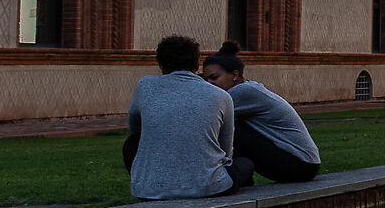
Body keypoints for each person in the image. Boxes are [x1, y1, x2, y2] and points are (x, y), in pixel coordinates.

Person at [122, 35, 252, 199]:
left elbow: (134, 126)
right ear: (197, 64)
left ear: (161, 65)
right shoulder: (221, 95)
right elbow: (226, 149)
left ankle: (151, 181)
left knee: (132, 142)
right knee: (246, 164)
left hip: (149, 191)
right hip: (210, 187)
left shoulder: (145, 85)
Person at [201, 44, 320, 184]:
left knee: (232, 130)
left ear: (235, 75)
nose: (209, 84)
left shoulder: (243, 92)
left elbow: (204, 114)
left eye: (214, 77)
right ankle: (241, 180)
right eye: (205, 80)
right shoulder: (249, 88)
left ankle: (231, 179)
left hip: (300, 164)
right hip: (304, 164)